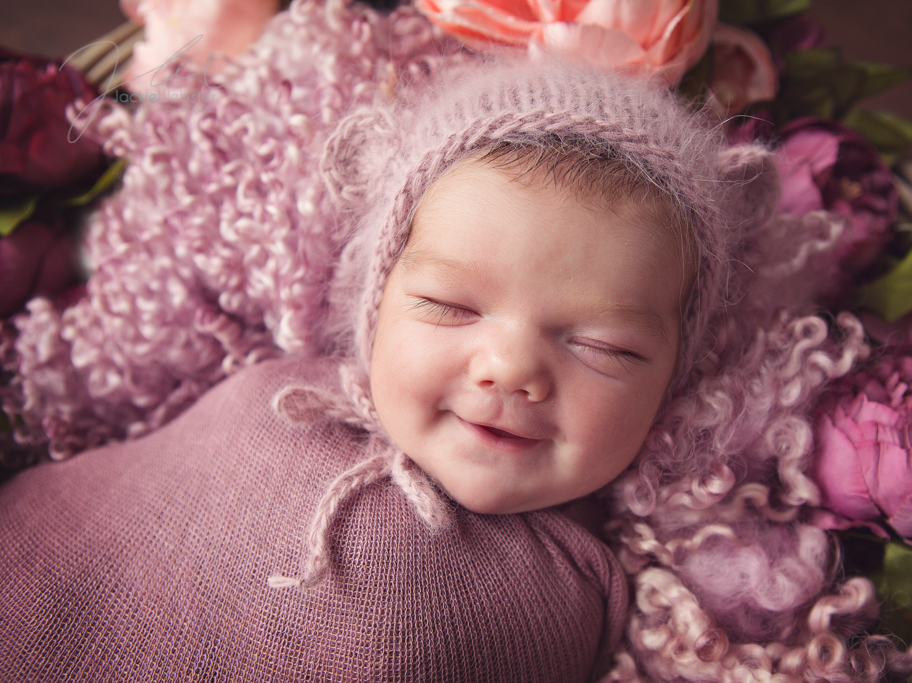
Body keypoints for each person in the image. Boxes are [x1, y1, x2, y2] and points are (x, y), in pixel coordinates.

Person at [0, 56, 779, 682]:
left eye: (605, 347)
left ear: (679, 376)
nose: (509, 368)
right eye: (448, 304)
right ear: (373, 305)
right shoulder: (270, 400)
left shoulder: (586, 589)